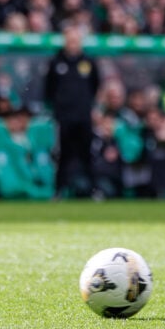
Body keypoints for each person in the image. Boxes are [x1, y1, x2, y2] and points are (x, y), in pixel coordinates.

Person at [44, 24, 101, 198]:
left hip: (83, 117)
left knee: (87, 154)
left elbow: (95, 86)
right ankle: (59, 190)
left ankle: (92, 190)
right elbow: (49, 90)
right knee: (63, 156)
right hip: (64, 118)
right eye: (70, 40)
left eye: (76, 40)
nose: (73, 44)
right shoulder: (56, 62)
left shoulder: (89, 62)